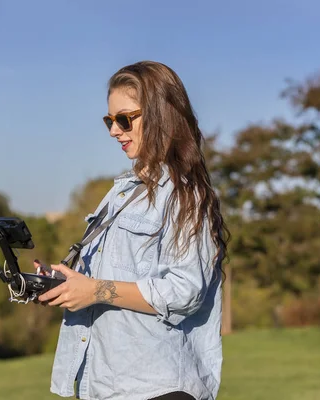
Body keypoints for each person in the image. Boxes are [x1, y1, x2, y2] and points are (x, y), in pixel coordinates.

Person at [35, 61, 229, 400]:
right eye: (109, 120)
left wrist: (97, 291)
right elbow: (109, 276)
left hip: (157, 387)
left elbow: (185, 290)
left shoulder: (186, 195)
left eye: (125, 119)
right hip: (108, 387)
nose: (114, 130)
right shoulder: (121, 193)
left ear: (161, 115)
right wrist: (67, 284)